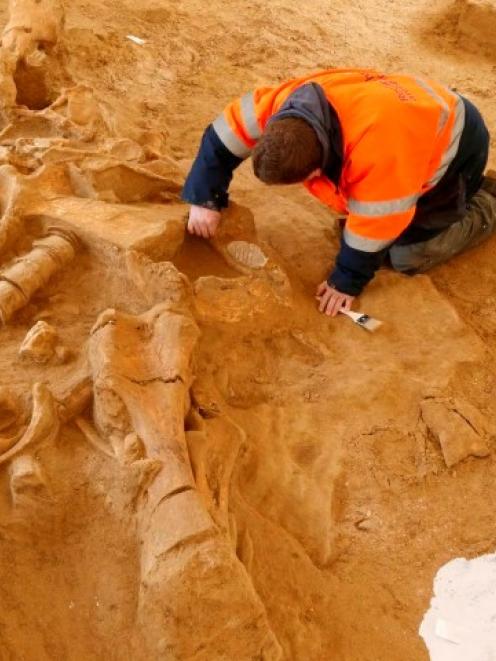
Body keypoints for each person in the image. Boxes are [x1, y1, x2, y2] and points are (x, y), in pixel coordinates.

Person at [182, 68, 496, 316]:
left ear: (317, 172)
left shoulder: (378, 158)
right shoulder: (280, 105)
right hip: (412, 111)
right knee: (357, 218)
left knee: (405, 255)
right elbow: (221, 138)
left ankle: (486, 200)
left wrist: (345, 282)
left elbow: (377, 226)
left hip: (456, 145)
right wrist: (204, 197)